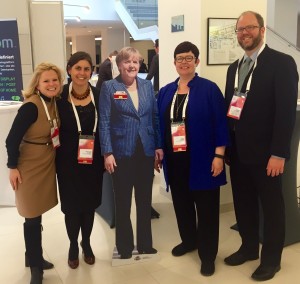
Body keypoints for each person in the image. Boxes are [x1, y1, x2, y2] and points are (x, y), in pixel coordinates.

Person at [224, 11, 298, 281]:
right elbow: (230, 110)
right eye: (240, 29)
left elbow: (285, 113)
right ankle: (248, 248)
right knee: (243, 204)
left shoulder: (282, 63)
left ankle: (271, 260)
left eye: (250, 28)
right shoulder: (234, 68)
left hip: (268, 155)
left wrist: (279, 153)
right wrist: (226, 148)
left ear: (262, 30)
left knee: (272, 208)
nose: (244, 33)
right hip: (239, 153)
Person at [157, 41, 229, 276]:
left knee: (207, 210)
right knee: (182, 204)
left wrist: (219, 155)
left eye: (189, 58)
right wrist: (158, 149)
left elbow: (221, 123)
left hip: (203, 159)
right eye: (180, 58)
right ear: (174, 63)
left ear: (197, 61)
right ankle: (189, 241)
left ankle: (207, 256)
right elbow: (159, 125)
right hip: (175, 160)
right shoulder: (167, 91)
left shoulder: (209, 89)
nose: (184, 62)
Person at [99, 46, 163, 259]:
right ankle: (125, 247)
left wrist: (158, 146)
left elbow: (154, 118)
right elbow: (105, 121)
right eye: (127, 62)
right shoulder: (110, 87)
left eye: (136, 62)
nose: (132, 65)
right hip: (121, 153)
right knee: (123, 202)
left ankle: (145, 244)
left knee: (144, 201)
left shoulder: (146, 85)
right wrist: (107, 152)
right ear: (119, 65)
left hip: (145, 151)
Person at [6, 62, 64, 284]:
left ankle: (33, 256)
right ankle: (36, 269)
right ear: (37, 84)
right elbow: (11, 140)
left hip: (46, 162)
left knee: (37, 213)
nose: (51, 84)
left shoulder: (54, 103)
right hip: (28, 166)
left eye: (54, 80)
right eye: (46, 80)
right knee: (31, 216)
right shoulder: (30, 107)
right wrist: (13, 167)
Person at [56, 51, 104, 269]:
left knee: (89, 205)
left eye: (86, 69)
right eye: (78, 68)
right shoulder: (59, 97)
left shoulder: (99, 94)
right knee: (71, 207)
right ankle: (73, 245)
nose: (82, 73)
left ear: (91, 71)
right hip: (67, 162)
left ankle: (87, 242)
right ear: (69, 70)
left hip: (93, 161)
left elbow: (107, 126)